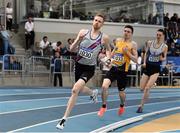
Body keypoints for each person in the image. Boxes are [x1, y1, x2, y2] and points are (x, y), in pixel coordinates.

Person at [56, 13, 111, 130]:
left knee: (75, 89)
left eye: (99, 21)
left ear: (102, 24)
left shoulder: (104, 38)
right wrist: (78, 40)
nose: (97, 22)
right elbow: (72, 49)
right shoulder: (83, 32)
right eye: (95, 20)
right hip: (78, 65)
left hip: (89, 68)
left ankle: (64, 119)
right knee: (79, 88)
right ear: (93, 21)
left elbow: (108, 50)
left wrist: (108, 59)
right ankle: (93, 93)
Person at [98, 25, 138, 117]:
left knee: (121, 92)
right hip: (113, 68)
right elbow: (113, 53)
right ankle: (104, 106)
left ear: (131, 34)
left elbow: (135, 60)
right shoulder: (118, 41)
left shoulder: (133, 45)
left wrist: (127, 53)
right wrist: (108, 60)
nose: (126, 33)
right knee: (104, 86)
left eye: (128, 31)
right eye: (125, 31)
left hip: (123, 71)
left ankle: (122, 105)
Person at [136, 29, 168, 113]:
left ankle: (141, 106)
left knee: (147, 88)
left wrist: (162, 58)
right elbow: (146, 53)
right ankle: (146, 93)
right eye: (157, 34)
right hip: (147, 67)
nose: (158, 36)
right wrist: (144, 62)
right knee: (141, 88)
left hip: (156, 69)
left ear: (163, 36)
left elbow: (164, 57)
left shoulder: (164, 47)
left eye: (160, 35)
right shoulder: (150, 43)